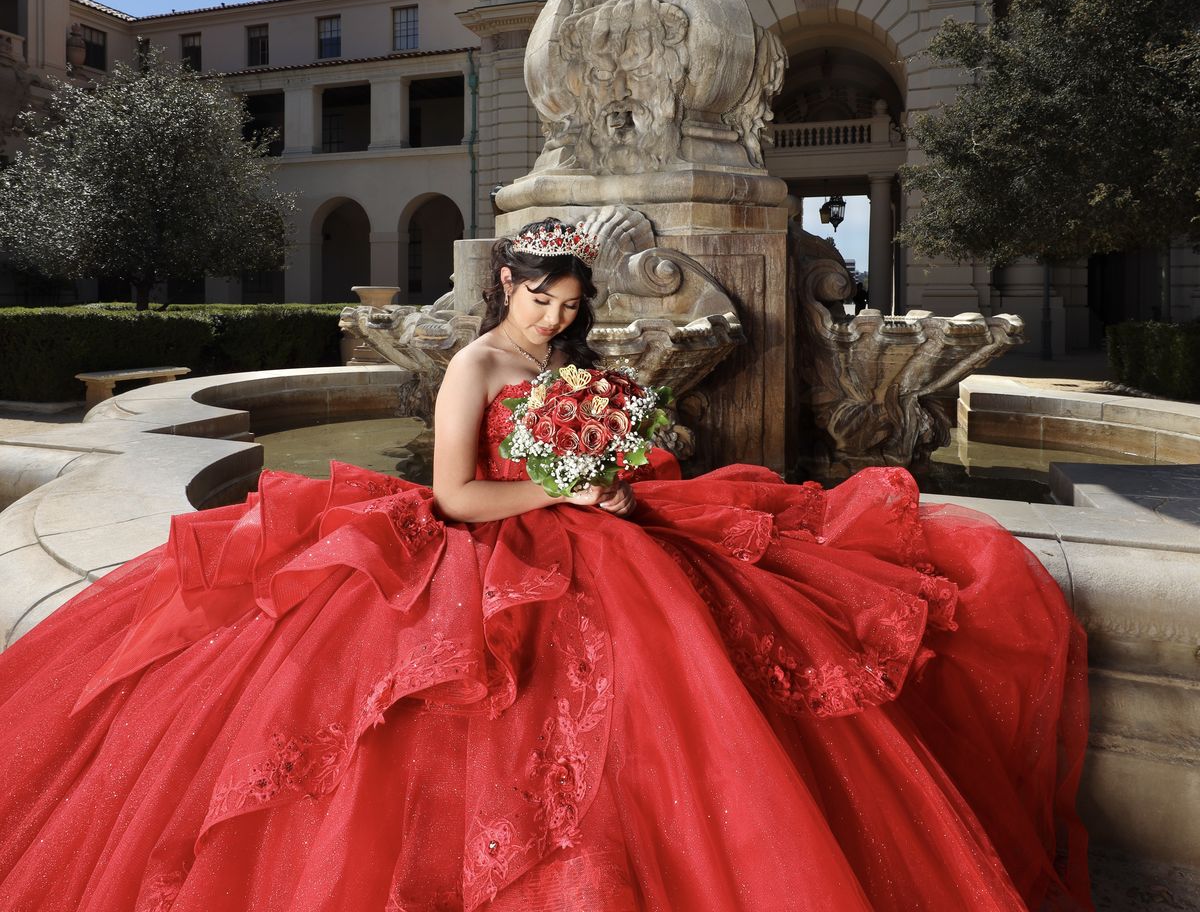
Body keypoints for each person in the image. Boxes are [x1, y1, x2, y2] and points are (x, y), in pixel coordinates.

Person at [0, 217, 1092, 912]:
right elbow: (453, 496)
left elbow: (624, 443)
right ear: (505, 289)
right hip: (487, 542)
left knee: (715, 646)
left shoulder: (568, 364)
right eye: (542, 300)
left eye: (572, 307)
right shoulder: (474, 363)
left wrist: (618, 467)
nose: (558, 319)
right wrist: (566, 488)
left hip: (591, 524)